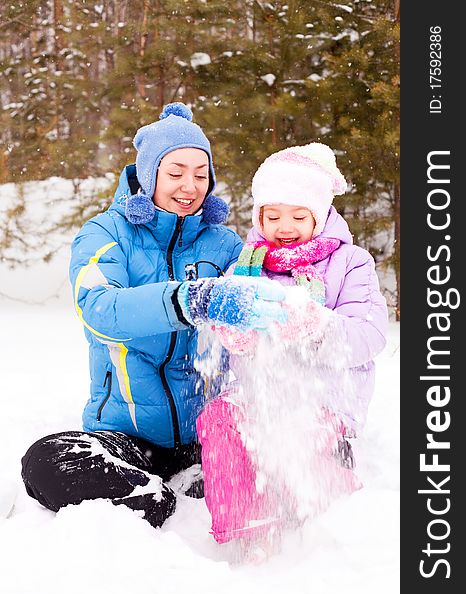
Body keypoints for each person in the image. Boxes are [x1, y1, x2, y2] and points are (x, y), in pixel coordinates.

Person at [20, 102, 287, 529]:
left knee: (293, 451)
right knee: (44, 462)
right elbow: (98, 308)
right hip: (125, 437)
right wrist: (191, 300)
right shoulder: (106, 234)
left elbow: (273, 299)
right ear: (149, 175)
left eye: (201, 174)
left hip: (205, 436)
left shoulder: (225, 246)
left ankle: (202, 483)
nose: (190, 185)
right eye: (176, 171)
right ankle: (151, 494)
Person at [195, 142, 389, 556]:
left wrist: (316, 327)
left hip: (325, 403)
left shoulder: (349, 264)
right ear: (258, 215)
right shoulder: (243, 268)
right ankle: (248, 525)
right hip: (258, 398)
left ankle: (328, 524)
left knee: (311, 450)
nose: (285, 226)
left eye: (299, 216)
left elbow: (368, 337)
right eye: (273, 215)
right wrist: (235, 338)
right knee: (218, 418)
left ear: (319, 215)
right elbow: (223, 346)